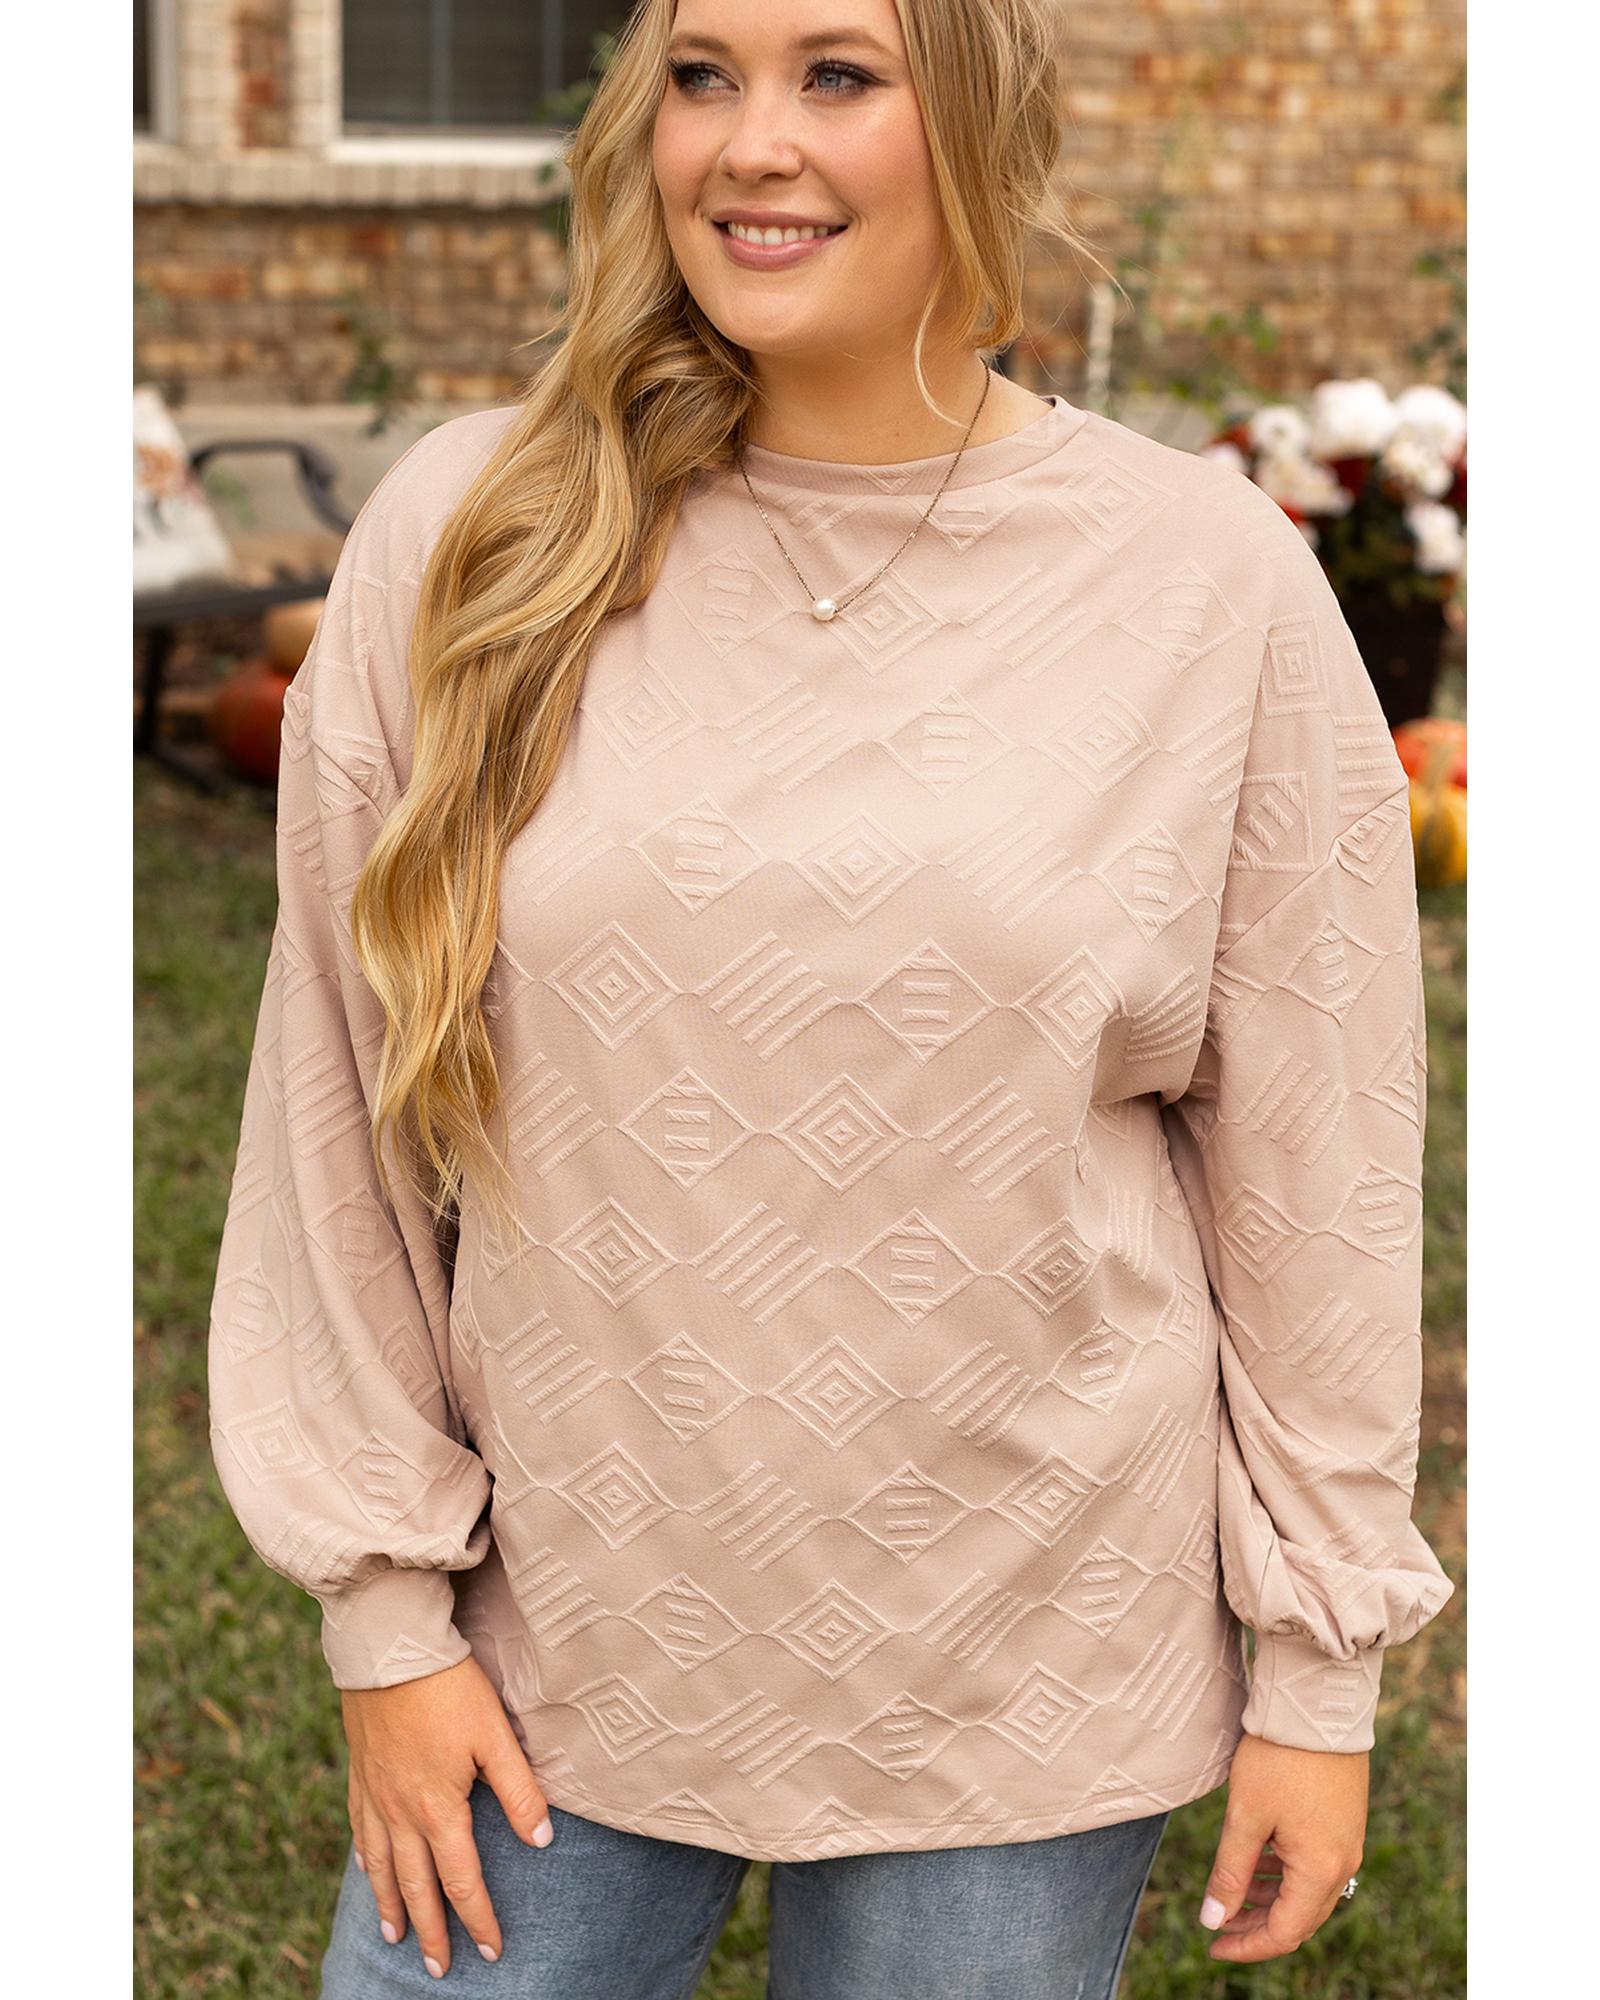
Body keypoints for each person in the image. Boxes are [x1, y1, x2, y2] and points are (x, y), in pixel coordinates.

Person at [204, 1, 1456, 1993]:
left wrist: (1318, 1668)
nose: (749, 143)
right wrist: (383, 1616)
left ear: (975, 121)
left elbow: (1318, 1165)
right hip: (550, 1635)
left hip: (1026, 1651)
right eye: (702, 75)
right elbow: (336, 1113)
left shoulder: (1204, 583)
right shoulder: (474, 534)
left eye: (836, 76)